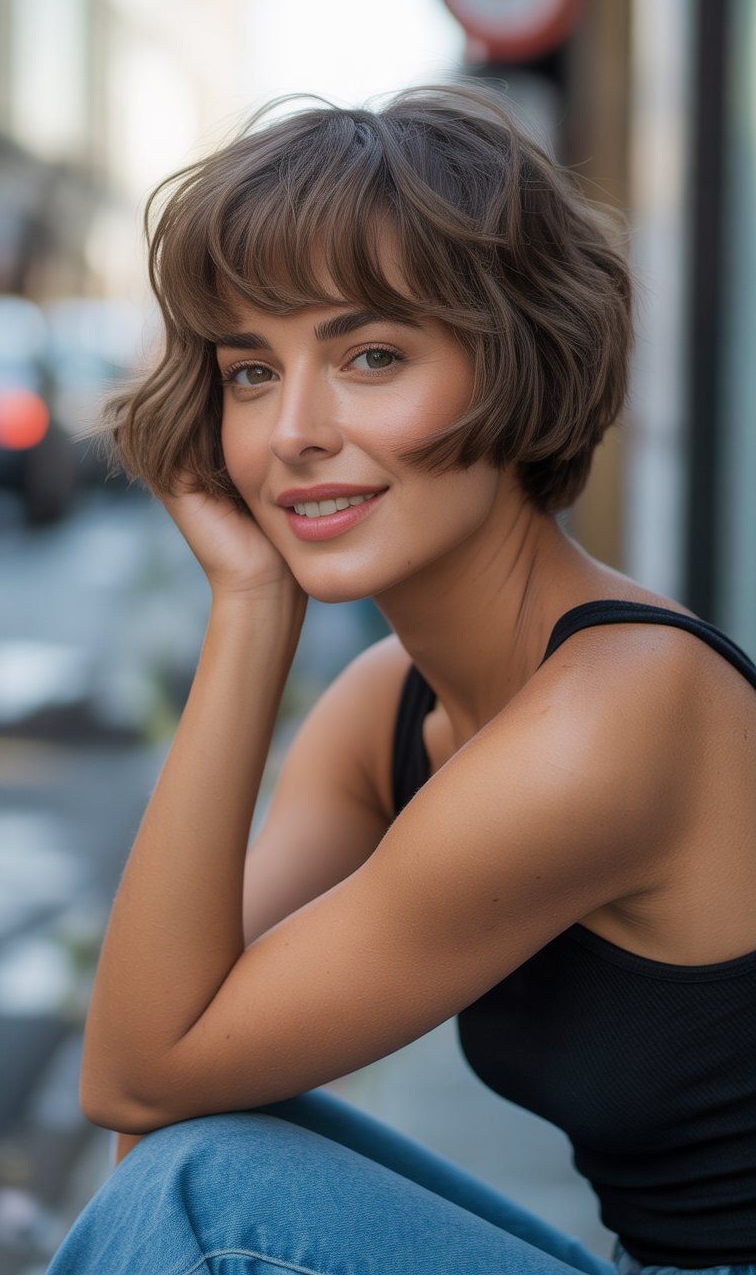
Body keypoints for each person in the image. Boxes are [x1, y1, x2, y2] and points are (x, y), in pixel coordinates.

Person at [48, 83, 756, 1275]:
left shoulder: (619, 711)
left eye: (371, 355)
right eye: (250, 372)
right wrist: (251, 612)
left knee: (207, 1196)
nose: (294, 432)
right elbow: (151, 1081)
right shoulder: (390, 703)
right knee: (196, 1153)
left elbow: (137, 1067)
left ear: (516, 362)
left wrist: (250, 613)